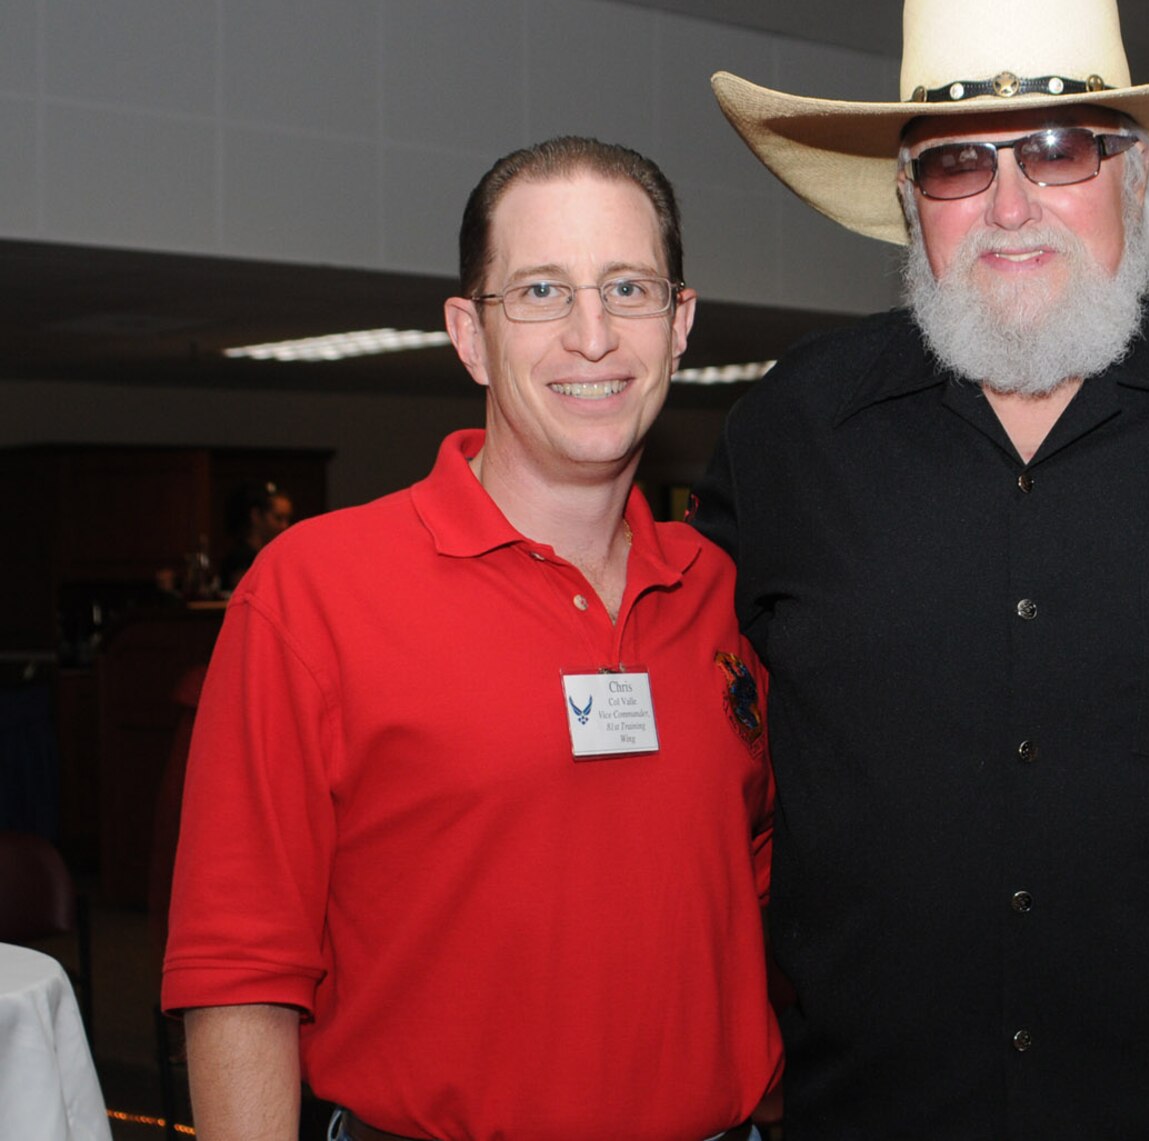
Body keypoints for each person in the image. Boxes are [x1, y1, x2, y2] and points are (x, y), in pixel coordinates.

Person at [694, 0, 1149, 1138]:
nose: (1008, 205)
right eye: (958, 162)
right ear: (911, 201)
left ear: (1136, 175)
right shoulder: (791, 433)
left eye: (1058, 149)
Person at [163, 137, 780, 1141]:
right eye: (540, 291)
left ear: (679, 325)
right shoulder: (313, 591)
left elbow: (760, 890)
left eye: (627, 288)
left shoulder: (721, 592)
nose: (592, 335)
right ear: (470, 335)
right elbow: (237, 967)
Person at [218, 480, 293, 591]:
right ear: (256, 515)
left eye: (287, 519)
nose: (284, 526)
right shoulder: (240, 559)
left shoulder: (278, 555)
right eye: (278, 518)